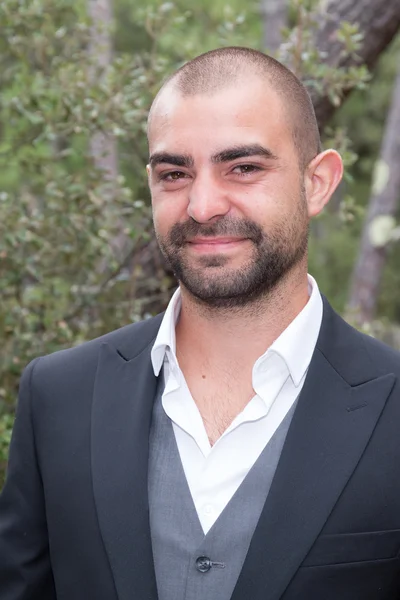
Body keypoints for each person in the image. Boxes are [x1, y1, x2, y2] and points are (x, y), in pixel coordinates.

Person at [1, 46, 400, 600]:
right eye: (174, 172)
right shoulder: (58, 396)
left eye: (244, 167)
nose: (202, 204)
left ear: (318, 184)